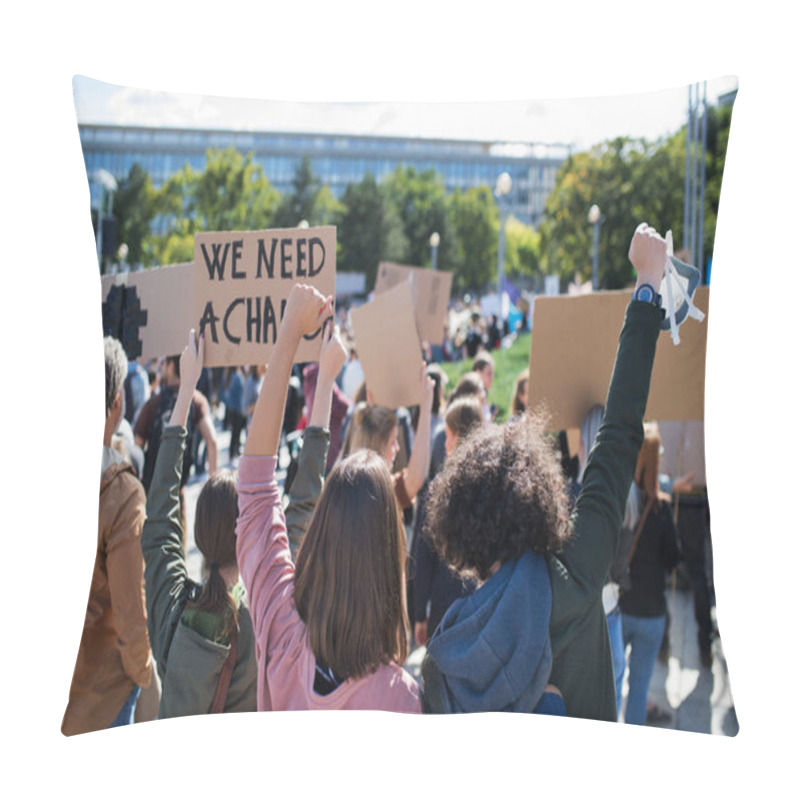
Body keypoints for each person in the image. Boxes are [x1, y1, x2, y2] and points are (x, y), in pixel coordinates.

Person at [421, 222, 668, 719]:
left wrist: (647, 285)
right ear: (540, 494)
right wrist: (648, 286)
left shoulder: (445, 650)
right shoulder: (576, 576)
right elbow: (619, 434)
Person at [236, 287, 420, 711]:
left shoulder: (281, 630)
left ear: (320, 536)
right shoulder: (401, 699)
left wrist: (287, 338)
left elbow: (256, 489)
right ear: (391, 558)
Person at [140, 330, 257, 718]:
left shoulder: (173, 604)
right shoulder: (259, 621)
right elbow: (301, 511)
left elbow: (158, 516)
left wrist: (186, 385)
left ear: (199, 535)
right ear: (245, 536)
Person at [62, 336, 153, 735]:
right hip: (100, 699)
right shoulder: (121, 493)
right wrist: (145, 673)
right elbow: (131, 614)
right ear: (116, 404)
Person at [620, 423, 681, 726]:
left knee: (614, 683)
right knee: (639, 688)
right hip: (652, 611)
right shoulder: (662, 509)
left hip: (623, 606)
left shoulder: (622, 503)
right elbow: (674, 560)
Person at [413, 397, 484, 648]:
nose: (445, 442)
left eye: (449, 434)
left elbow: (424, 557)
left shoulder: (437, 490)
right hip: (484, 605)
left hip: (445, 610)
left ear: (457, 437)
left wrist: (419, 613)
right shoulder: (493, 491)